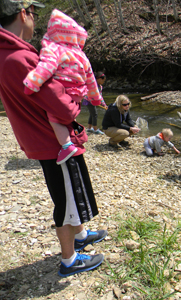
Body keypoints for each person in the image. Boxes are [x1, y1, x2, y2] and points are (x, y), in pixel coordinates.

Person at [0, 0, 107, 277]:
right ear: (23, 14)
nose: (35, 20)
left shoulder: (9, 53)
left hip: (41, 137)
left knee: (69, 194)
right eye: (34, 14)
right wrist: (76, 105)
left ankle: (80, 235)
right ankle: (69, 259)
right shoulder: (18, 58)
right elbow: (56, 101)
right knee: (67, 200)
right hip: (52, 141)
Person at [22, 9, 103, 165]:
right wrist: (95, 98)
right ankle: (73, 136)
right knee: (67, 115)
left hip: (63, 90)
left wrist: (32, 84)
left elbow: (46, 68)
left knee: (54, 118)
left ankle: (66, 146)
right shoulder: (81, 54)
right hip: (78, 93)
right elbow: (90, 78)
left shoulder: (53, 48)